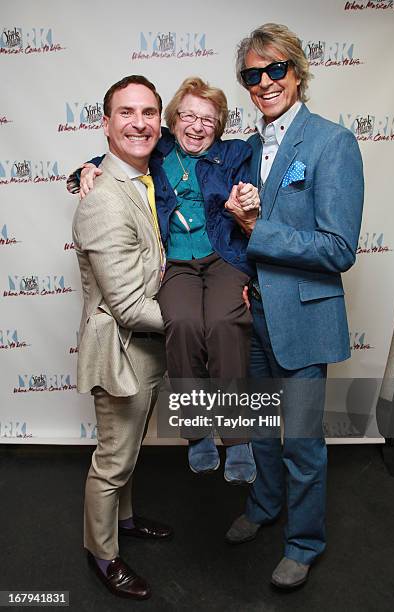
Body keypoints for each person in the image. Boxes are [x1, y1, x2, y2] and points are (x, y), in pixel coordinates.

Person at [224, 23, 364, 589]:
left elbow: (338, 249)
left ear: (299, 71)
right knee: (260, 427)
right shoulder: (251, 146)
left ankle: (304, 542)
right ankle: (264, 506)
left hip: (303, 318)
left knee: (302, 440)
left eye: (275, 69)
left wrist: (259, 228)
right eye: (252, 75)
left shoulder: (333, 142)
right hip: (253, 315)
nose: (264, 82)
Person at [69, 77, 260, 484]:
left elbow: (254, 193)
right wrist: (88, 169)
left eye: (208, 119)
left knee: (226, 323)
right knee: (184, 322)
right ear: (173, 120)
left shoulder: (235, 153)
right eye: (188, 115)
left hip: (223, 255)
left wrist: (244, 201)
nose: (197, 125)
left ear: (220, 124)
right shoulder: (158, 146)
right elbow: (116, 154)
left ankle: (238, 437)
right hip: (173, 260)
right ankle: (196, 432)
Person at [72, 75, 173, 601]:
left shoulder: (146, 174)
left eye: (149, 112)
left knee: (127, 452)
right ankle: (102, 553)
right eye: (126, 112)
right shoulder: (104, 200)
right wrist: (195, 322)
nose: (140, 122)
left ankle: (124, 523)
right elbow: (130, 305)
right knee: (112, 460)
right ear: (106, 123)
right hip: (121, 352)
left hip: (145, 349)